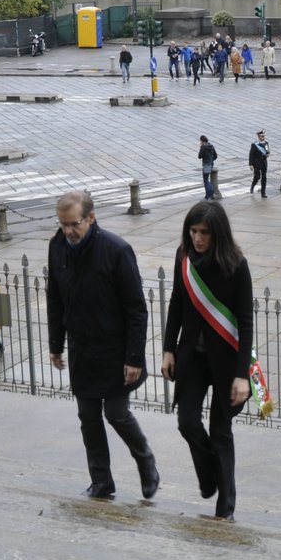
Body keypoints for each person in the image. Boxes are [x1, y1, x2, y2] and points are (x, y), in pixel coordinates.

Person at [46, 190, 160, 500]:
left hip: (116, 350)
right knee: (88, 416)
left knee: (116, 412)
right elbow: (54, 298)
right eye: (62, 224)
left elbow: (137, 309)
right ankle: (101, 481)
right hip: (82, 348)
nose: (68, 231)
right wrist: (56, 343)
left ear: (91, 218)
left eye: (73, 224)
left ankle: (145, 459)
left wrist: (134, 358)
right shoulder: (57, 247)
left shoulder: (116, 250)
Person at [162, 200, 254, 520]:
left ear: (218, 234)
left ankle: (225, 508)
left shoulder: (236, 265)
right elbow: (176, 302)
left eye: (204, 232)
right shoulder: (183, 258)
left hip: (228, 361)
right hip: (193, 358)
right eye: (193, 230)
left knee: (220, 431)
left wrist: (243, 375)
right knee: (187, 422)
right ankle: (208, 477)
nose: (198, 238)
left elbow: (245, 322)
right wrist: (168, 348)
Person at [248, 130, 270, 198]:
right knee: (257, 177)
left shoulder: (266, 143)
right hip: (257, 163)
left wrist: (267, 154)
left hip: (264, 163)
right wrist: (251, 164)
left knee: (264, 178)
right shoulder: (254, 145)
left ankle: (263, 193)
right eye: (261, 136)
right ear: (258, 136)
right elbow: (251, 155)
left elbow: (267, 151)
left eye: (264, 136)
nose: (263, 137)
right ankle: (252, 185)